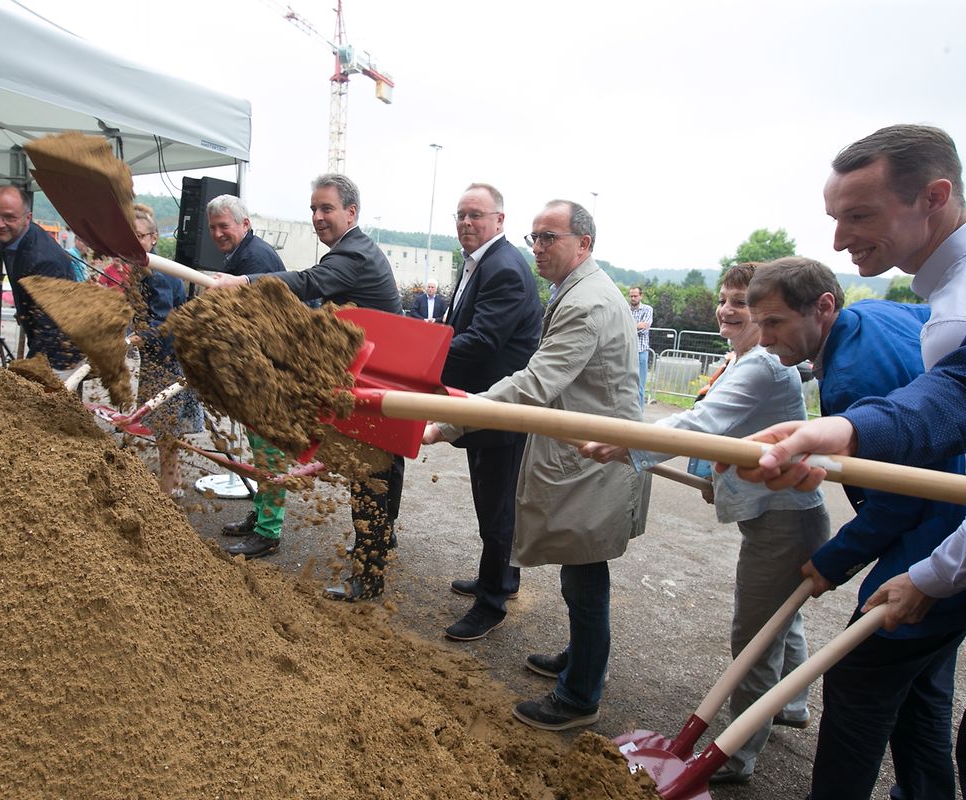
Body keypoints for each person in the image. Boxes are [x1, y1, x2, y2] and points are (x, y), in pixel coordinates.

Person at [736, 124, 966, 800]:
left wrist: (844, 436)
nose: (837, 240)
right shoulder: (944, 287)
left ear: (934, 196)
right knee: (934, 695)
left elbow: (963, 405)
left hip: (961, 530)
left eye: (858, 215)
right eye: (835, 218)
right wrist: (935, 577)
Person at [747, 257, 966, 800]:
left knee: (863, 676)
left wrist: (833, 560)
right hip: (959, 517)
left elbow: (898, 498)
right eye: (759, 324)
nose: (764, 340)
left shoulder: (855, 374)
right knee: (919, 680)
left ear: (823, 306)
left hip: (945, 527)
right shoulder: (877, 315)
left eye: (776, 323)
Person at [582, 263, 829, 782]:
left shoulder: (763, 363)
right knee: (785, 614)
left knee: (755, 637)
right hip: (781, 512)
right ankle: (793, 702)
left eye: (741, 303)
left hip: (782, 517)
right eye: (726, 300)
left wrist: (628, 442)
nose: (728, 311)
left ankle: (736, 756)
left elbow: (701, 423)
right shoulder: (739, 357)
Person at [427, 199, 640, 730]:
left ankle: (579, 697)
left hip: (595, 460)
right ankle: (583, 659)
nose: (539, 248)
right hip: (589, 453)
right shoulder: (579, 290)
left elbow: (534, 383)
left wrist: (452, 419)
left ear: (583, 245)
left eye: (550, 238)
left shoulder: (586, 303)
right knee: (581, 570)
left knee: (585, 576)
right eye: (536, 238)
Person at [201, 174, 405, 601]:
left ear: (351, 212)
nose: (317, 217)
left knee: (370, 475)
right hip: (372, 375)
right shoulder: (352, 249)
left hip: (380, 378)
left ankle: (368, 576)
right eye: (313, 209)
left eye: (326, 208)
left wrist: (245, 283)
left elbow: (310, 282)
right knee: (379, 473)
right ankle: (378, 545)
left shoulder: (355, 253)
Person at [424, 183, 542, 642]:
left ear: (500, 220)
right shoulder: (482, 263)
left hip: (500, 408)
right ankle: (502, 578)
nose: (466, 223)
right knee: (492, 503)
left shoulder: (504, 268)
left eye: (476, 215)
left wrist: (424, 356)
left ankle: (491, 602)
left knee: (496, 511)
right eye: (460, 215)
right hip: (483, 404)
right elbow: (462, 327)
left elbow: (483, 340)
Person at [203, 194, 290, 560]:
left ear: (245, 224)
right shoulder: (240, 256)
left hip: (270, 372)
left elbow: (268, 322)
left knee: (269, 452)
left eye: (225, 226)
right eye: (213, 228)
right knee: (261, 450)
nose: (219, 233)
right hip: (256, 371)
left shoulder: (255, 259)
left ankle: (269, 531)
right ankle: (262, 516)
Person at [125, 204, 203, 499]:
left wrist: (133, 340)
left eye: (140, 236)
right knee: (165, 430)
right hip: (156, 360)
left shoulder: (159, 274)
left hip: (170, 363)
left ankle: (166, 494)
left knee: (166, 433)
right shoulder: (139, 271)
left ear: (153, 237)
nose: (134, 242)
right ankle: (177, 483)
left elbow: (164, 321)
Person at [0, 185, 82, 372]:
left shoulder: (43, 260)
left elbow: (51, 327)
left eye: (9, 217)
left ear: (27, 218)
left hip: (62, 353)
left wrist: (29, 367)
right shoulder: (11, 237)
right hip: (43, 335)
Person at [627, 286, 652, 409]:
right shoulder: (625, 309)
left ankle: (639, 414)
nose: (633, 298)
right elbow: (620, 327)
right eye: (631, 296)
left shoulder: (647, 309)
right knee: (625, 384)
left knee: (640, 386)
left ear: (641, 296)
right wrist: (636, 325)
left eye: (635, 296)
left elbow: (644, 328)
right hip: (627, 351)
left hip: (641, 351)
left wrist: (628, 326)